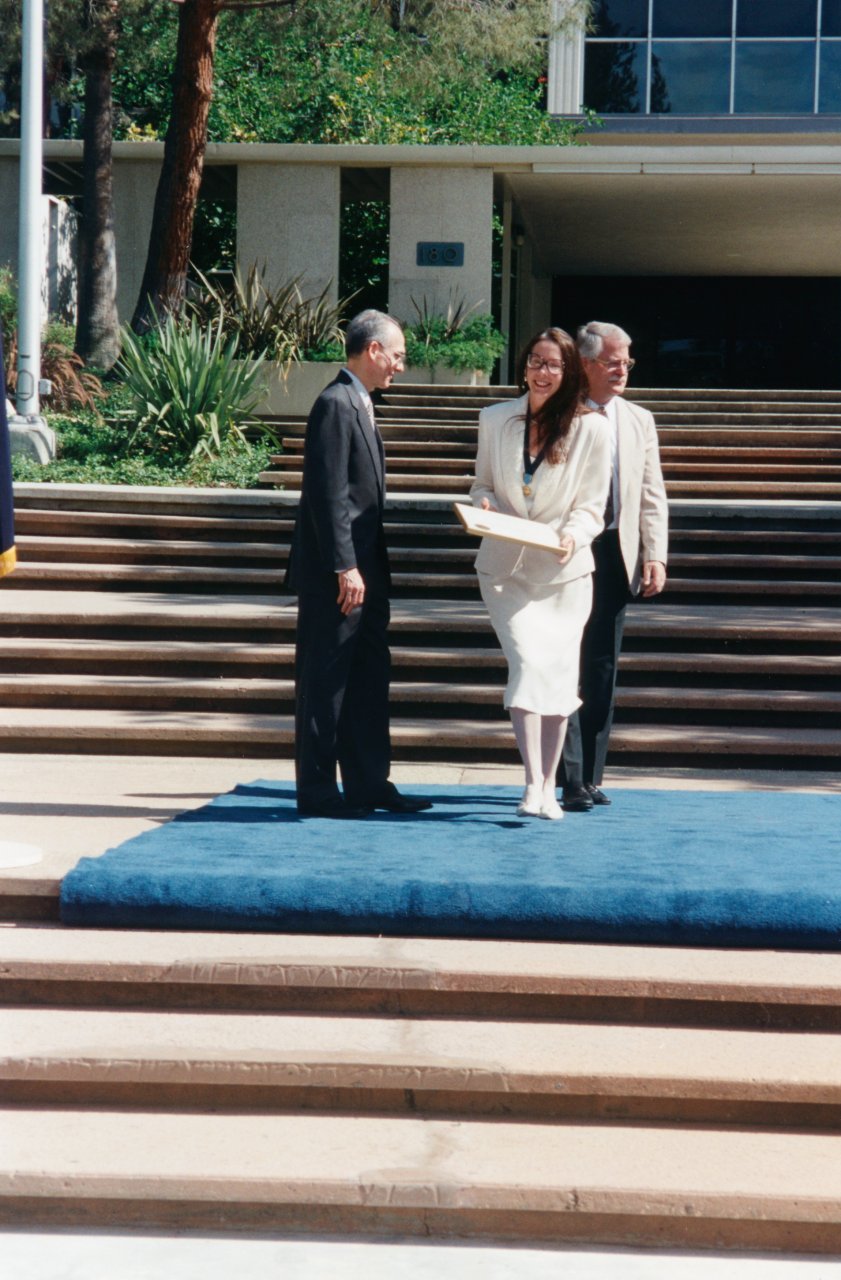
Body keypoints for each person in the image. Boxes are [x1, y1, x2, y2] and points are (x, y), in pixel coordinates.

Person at [286, 309, 432, 818]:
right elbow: (327, 497)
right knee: (326, 682)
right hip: (338, 576)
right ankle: (320, 791)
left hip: (366, 574)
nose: (400, 367)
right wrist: (344, 568)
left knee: (369, 678)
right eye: (397, 356)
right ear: (373, 351)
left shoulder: (360, 403)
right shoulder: (335, 403)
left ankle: (370, 783)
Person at [470, 328, 611, 820]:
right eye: (535, 362)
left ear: (569, 371)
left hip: (563, 573)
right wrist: (482, 502)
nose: (541, 372)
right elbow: (481, 483)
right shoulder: (495, 418)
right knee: (528, 664)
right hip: (505, 570)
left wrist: (574, 534)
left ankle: (549, 787)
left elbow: (592, 506)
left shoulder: (591, 427)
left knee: (557, 675)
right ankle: (532, 783)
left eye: (552, 364)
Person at [559, 321, 669, 812]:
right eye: (613, 361)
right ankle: (566, 776)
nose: (622, 369)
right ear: (585, 364)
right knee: (562, 664)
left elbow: (651, 493)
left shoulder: (639, 419)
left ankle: (591, 776)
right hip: (565, 555)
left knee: (602, 670)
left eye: (627, 361)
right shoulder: (559, 412)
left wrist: (655, 554)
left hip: (616, 556)